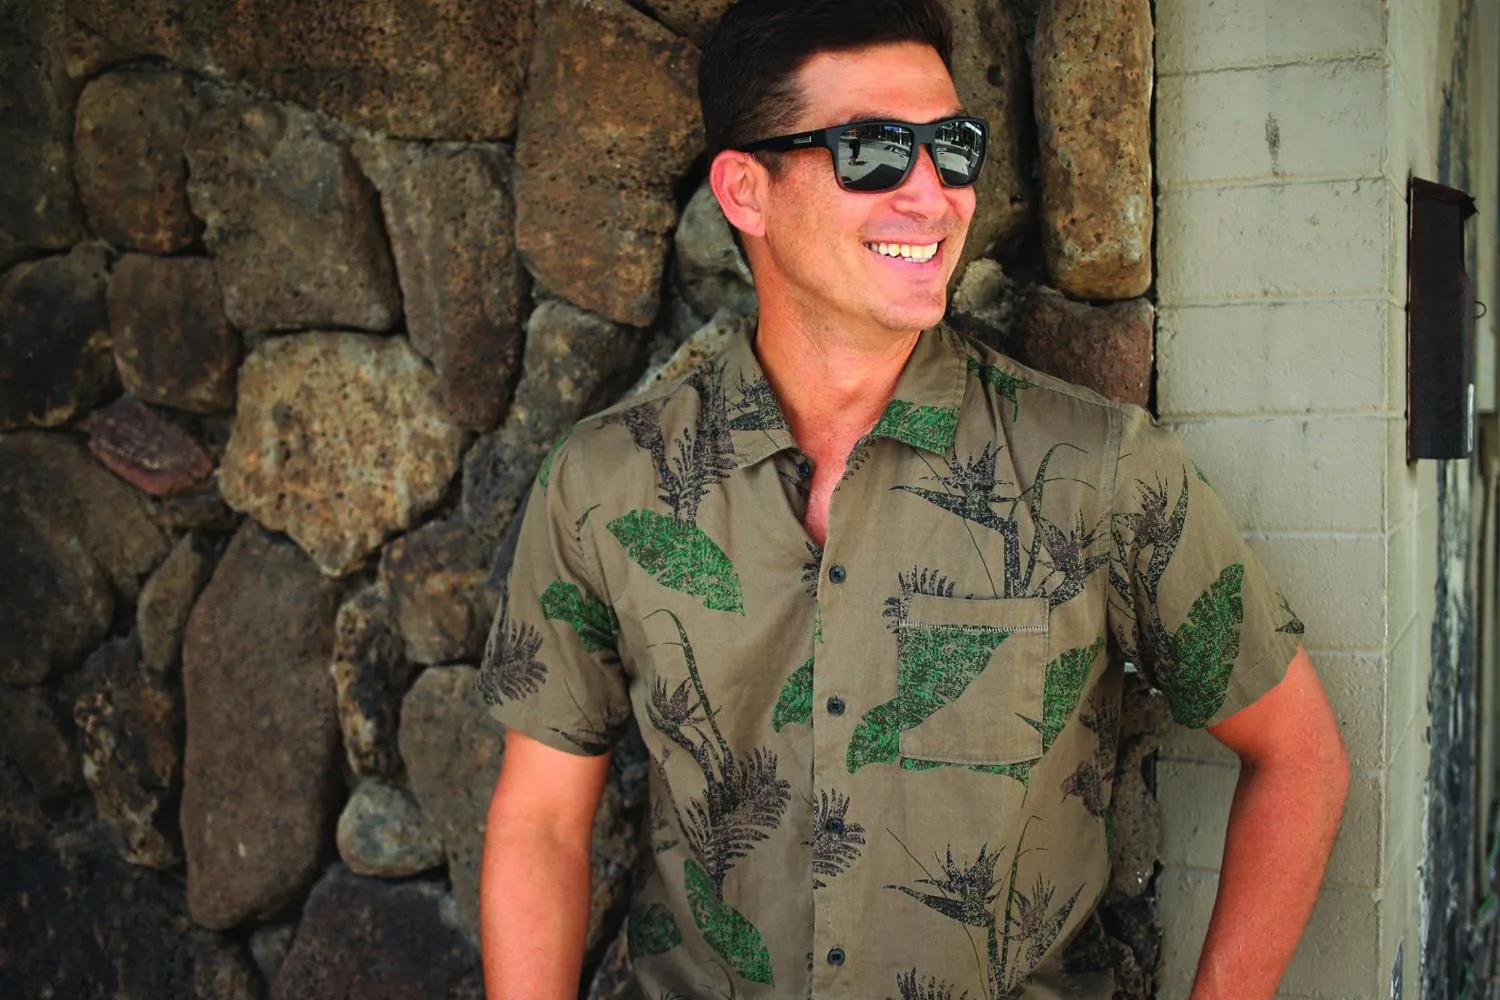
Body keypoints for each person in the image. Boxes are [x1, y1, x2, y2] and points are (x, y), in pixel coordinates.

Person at [477, 1, 1350, 997]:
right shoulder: (606, 485)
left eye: (954, 148)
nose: (933, 196)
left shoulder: (1096, 471)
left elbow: (1300, 756)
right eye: (874, 152)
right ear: (746, 190)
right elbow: (542, 820)